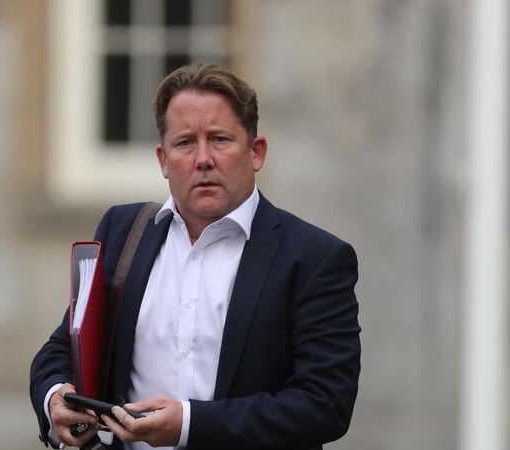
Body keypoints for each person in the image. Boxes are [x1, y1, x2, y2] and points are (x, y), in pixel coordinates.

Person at [30, 63, 361, 450]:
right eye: (185, 143)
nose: (203, 158)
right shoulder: (123, 232)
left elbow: (324, 405)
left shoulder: (314, 258)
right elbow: (64, 348)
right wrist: (55, 397)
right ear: (163, 160)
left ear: (256, 152)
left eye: (220, 139)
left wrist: (189, 424)